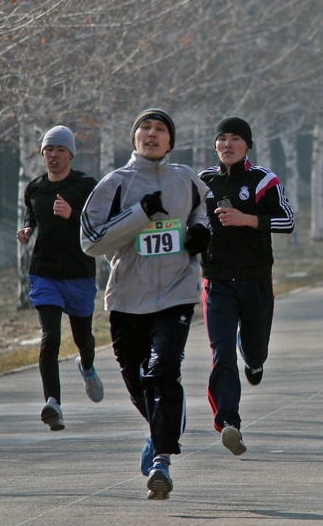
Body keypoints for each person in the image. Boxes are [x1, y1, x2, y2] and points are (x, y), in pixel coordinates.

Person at [81, 109, 211, 500]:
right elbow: (91, 241)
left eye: (160, 130)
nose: (152, 135)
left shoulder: (186, 178)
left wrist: (201, 231)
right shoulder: (114, 184)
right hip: (128, 300)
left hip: (177, 293)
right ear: (134, 138)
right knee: (140, 385)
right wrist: (139, 215)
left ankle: (162, 460)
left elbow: (202, 208)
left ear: (171, 141)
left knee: (162, 371)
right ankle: (165, 424)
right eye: (145, 129)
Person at [199, 117, 295, 456]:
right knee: (221, 353)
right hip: (217, 282)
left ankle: (254, 362)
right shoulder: (203, 183)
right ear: (215, 145)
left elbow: (287, 220)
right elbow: (188, 222)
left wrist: (246, 219)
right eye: (222, 138)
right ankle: (229, 422)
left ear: (247, 146)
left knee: (255, 351)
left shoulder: (263, 180)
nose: (227, 144)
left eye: (235, 139)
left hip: (255, 280)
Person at [16, 125, 103, 431]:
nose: (53, 155)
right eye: (48, 150)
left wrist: (74, 214)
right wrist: (27, 229)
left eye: (59, 150)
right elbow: (31, 212)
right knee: (50, 337)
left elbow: (99, 222)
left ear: (70, 154)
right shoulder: (35, 188)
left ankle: (88, 367)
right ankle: (54, 404)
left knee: (83, 339)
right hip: (45, 273)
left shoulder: (85, 185)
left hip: (79, 273)